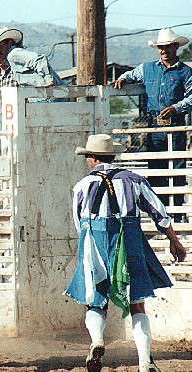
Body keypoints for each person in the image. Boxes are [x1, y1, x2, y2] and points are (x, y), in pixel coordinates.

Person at [65, 134, 187, 372]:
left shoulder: (81, 186)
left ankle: (97, 341)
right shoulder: (134, 180)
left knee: (94, 302)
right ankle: (144, 362)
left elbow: (80, 225)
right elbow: (159, 213)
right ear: (112, 156)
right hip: (129, 238)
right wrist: (175, 241)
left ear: (91, 159)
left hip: (94, 240)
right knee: (137, 304)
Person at [113, 28, 192, 221]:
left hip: (175, 125)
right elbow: (131, 74)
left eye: (167, 47)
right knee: (156, 169)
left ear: (175, 47)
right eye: (160, 47)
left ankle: (177, 214)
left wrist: (176, 107)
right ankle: (161, 215)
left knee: (177, 169)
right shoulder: (147, 68)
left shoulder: (186, 72)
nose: (163, 50)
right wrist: (123, 78)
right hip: (154, 125)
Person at [0, 27, 63, 156]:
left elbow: (39, 59)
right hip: (34, 105)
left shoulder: (14, 54)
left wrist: (48, 81)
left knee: (2, 112)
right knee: (2, 112)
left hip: (45, 100)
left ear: (8, 43)